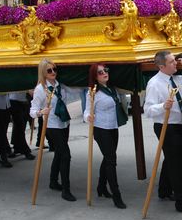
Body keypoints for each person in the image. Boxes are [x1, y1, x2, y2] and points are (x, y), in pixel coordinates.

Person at [144, 51, 182, 214]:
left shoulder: (177, 77)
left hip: (180, 124)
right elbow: (147, 110)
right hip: (166, 126)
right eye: (172, 62)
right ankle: (181, 202)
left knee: (176, 158)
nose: (176, 63)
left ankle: (164, 190)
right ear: (162, 66)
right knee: (177, 164)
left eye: (176, 60)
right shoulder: (154, 83)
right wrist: (162, 106)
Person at [30, 59, 79, 202]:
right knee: (65, 155)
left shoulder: (58, 85)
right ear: (43, 73)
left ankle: (53, 181)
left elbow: (75, 89)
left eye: (54, 69)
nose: (53, 73)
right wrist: (41, 111)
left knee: (59, 153)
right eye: (49, 70)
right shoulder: (40, 89)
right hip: (51, 125)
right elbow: (32, 111)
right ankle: (66, 190)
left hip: (64, 122)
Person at [84, 64, 129, 209]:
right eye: (100, 72)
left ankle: (101, 187)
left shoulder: (111, 89)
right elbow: (86, 111)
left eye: (105, 71)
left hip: (113, 127)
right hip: (100, 129)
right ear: (95, 77)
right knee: (111, 160)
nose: (104, 73)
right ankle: (117, 196)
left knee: (108, 157)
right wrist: (88, 117)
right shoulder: (93, 92)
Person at [9, 92, 35, 159]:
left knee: (20, 127)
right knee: (20, 127)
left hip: (23, 101)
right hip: (14, 101)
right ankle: (25, 151)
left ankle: (17, 147)